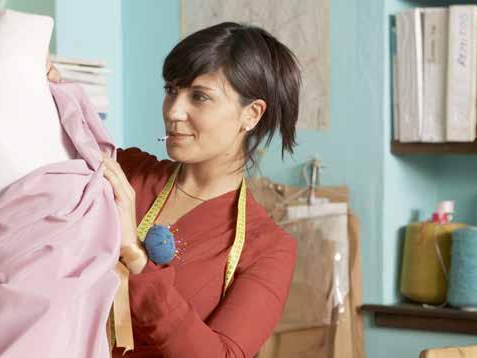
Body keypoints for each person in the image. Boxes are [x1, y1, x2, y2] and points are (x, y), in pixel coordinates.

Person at [50, 22, 301, 357]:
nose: (173, 111)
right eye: (171, 90)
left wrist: (135, 256)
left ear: (251, 115)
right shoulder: (126, 173)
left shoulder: (267, 249)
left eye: (199, 97)